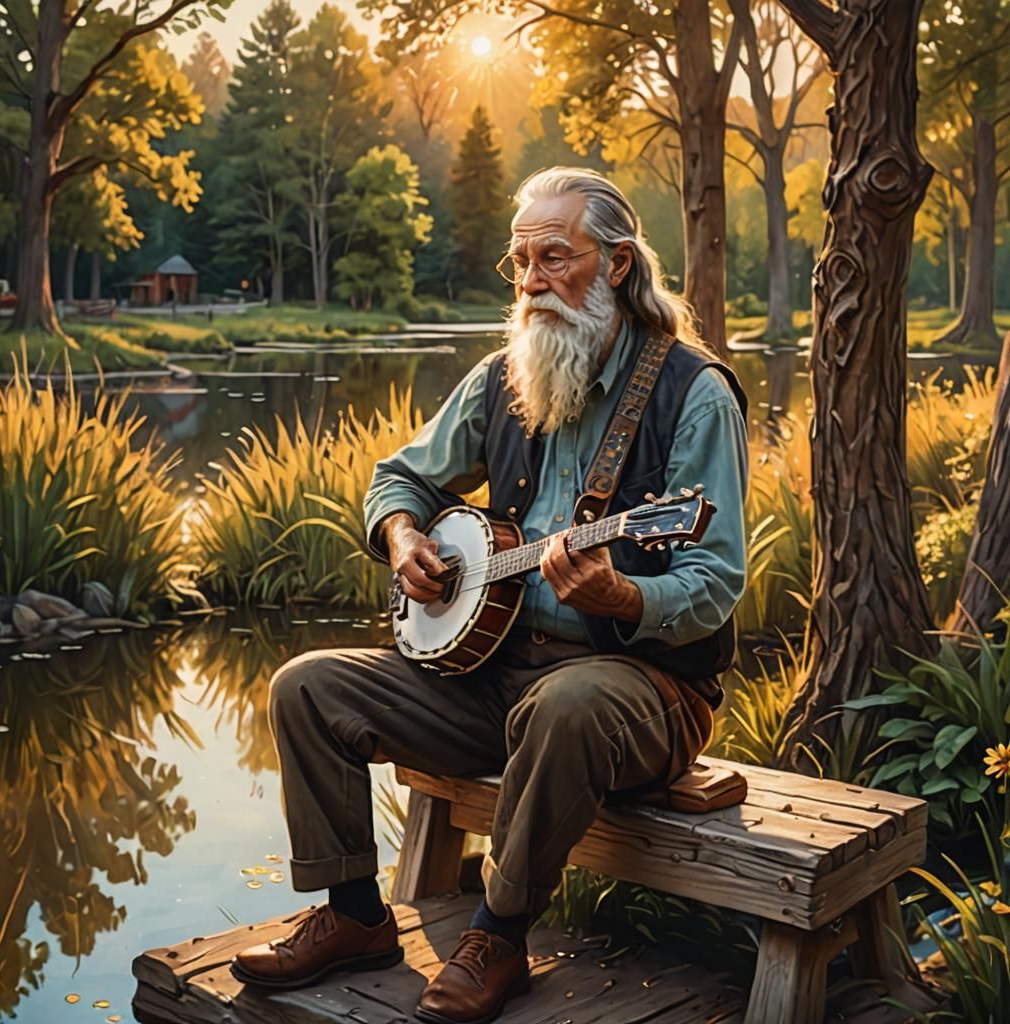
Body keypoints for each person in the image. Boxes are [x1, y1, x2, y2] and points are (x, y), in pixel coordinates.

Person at [231, 166, 749, 1024]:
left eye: (556, 258)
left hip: (644, 691)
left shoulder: (693, 395)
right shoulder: (503, 378)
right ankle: (355, 915)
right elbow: (398, 477)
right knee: (308, 687)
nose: (533, 282)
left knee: (569, 704)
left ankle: (499, 935)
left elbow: (716, 582)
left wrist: (621, 597)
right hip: (493, 678)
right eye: (521, 262)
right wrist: (404, 539)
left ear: (617, 265)